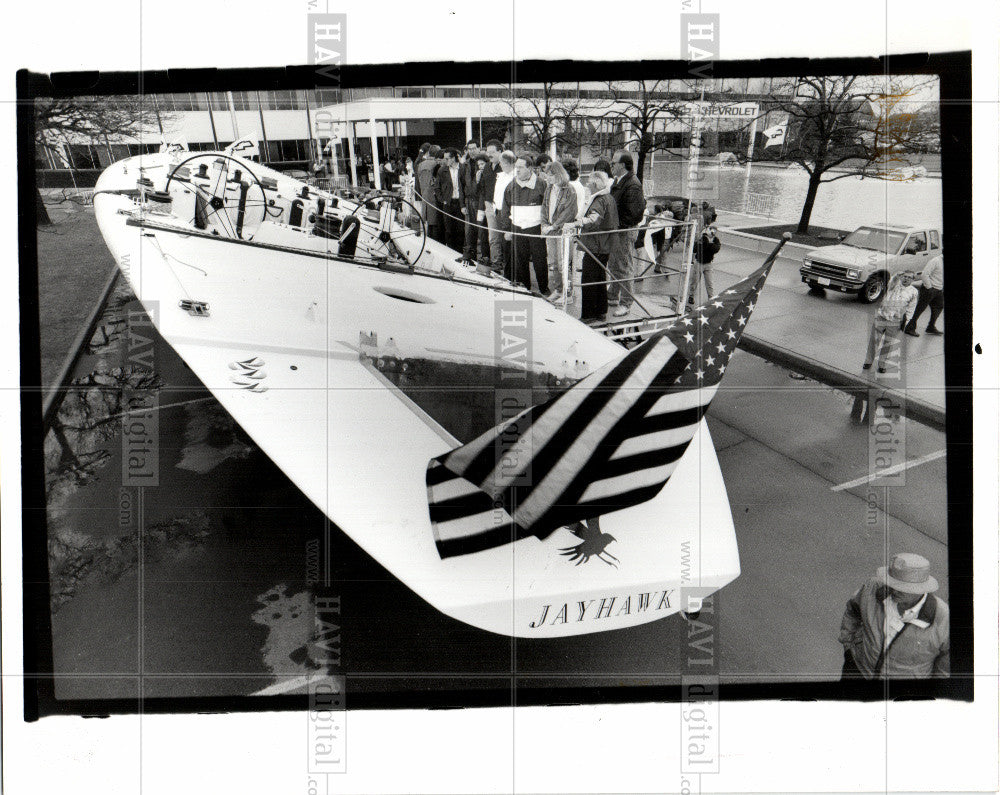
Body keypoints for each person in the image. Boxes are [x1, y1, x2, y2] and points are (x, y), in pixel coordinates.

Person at [839, 553, 949, 679]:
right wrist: (848, 646)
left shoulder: (943, 618)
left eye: (902, 587)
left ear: (921, 589)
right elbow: (853, 610)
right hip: (858, 672)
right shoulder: (871, 588)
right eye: (891, 583)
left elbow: (946, 665)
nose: (894, 590)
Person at [566, 170, 619, 324]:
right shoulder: (609, 198)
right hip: (604, 244)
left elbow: (593, 219)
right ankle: (601, 311)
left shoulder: (599, 200)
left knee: (589, 279)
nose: (587, 184)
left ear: (595, 183)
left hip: (595, 245)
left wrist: (576, 223)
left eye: (589, 182)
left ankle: (588, 315)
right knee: (600, 278)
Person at [499, 153, 548, 294]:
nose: (517, 170)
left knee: (540, 259)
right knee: (520, 259)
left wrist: (546, 226)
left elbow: (547, 206)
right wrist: (507, 229)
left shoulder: (541, 184)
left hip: (536, 228)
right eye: (516, 167)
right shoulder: (511, 186)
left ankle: (544, 288)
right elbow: (505, 209)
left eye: (520, 167)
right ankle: (525, 287)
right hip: (517, 227)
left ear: (530, 168)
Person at [608, 151, 645, 318]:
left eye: (614, 162)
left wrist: (618, 226)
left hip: (624, 231)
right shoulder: (621, 181)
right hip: (618, 229)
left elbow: (635, 213)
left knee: (624, 266)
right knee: (615, 264)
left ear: (622, 165)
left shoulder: (632, 184)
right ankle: (613, 295)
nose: (611, 164)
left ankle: (626, 303)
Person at [863, 271, 919, 374]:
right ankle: (868, 361)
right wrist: (897, 275)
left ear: (913, 280)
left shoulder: (913, 292)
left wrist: (905, 322)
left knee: (888, 344)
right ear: (902, 277)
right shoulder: (894, 285)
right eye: (905, 276)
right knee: (874, 340)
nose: (906, 279)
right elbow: (892, 280)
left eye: (909, 278)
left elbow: (911, 308)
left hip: (895, 321)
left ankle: (882, 365)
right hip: (882, 316)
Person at [540, 160, 579, 303]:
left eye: (550, 175)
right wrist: (544, 224)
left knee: (563, 263)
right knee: (554, 262)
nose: (547, 178)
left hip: (561, 231)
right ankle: (558, 290)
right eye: (547, 175)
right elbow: (544, 207)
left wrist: (554, 226)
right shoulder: (549, 189)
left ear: (558, 174)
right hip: (550, 230)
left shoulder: (569, 190)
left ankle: (567, 293)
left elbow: (569, 212)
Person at [904, 254, 944, 336]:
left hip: (939, 290)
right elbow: (924, 274)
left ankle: (931, 327)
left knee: (939, 306)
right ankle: (909, 328)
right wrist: (929, 288)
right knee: (919, 308)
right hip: (929, 289)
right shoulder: (935, 261)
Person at [480, 139, 505, 271]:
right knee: (493, 237)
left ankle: (507, 263)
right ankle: (496, 263)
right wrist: (484, 204)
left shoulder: (505, 167)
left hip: (503, 207)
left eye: (493, 152)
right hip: (489, 205)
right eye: (488, 152)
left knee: (505, 236)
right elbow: (483, 186)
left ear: (500, 152)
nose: (489, 155)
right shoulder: (487, 167)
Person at [434, 147, 465, 253]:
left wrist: (464, 203)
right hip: (448, 203)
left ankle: (460, 252)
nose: (445, 161)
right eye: (444, 158)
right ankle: (451, 252)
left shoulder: (463, 168)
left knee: (461, 229)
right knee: (449, 230)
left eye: (447, 158)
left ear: (454, 158)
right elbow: (437, 187)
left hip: (460, 204)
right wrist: (443, 200)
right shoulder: (442, 170)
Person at [491, 150, 517, 274]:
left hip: (509, 213)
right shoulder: (500, 175)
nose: (500, 165)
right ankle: (501, 266)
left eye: (501, 162)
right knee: (500, 241)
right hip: (498, 211)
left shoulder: (516, 176)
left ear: (507, 163)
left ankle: (509, 272)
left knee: (508, 243)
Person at [687, 225, 722, 305]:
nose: (713, 234)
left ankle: (711, 297)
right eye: (711, 231)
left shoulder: (716, 240)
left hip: (708, 263)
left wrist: (709, 244)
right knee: (695, 281)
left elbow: (715, 249)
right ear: (708, 231)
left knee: (709, 282)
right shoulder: (702, 238)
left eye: (714, 232)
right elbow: (697, 248)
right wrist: (707, 242)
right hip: (699, 262)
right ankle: (691, 296)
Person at [459, 140, 482, 262]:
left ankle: (483, 258)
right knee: (469, 231)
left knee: (482, 231)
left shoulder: (484, 163)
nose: (472, 151)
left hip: (480, 201)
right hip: (468, 201)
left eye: (474, 148)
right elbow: (461, 186)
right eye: (470, 149)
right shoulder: (464, 165)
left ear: (479, 148)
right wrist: (462, 204)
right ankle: (469, 257)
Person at [417, 145, 443, 243]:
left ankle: (429, 242)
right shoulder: (437, 164)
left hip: (424, 195)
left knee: (428, 223)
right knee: (436, 223)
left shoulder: (421, 164)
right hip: (434, 196)